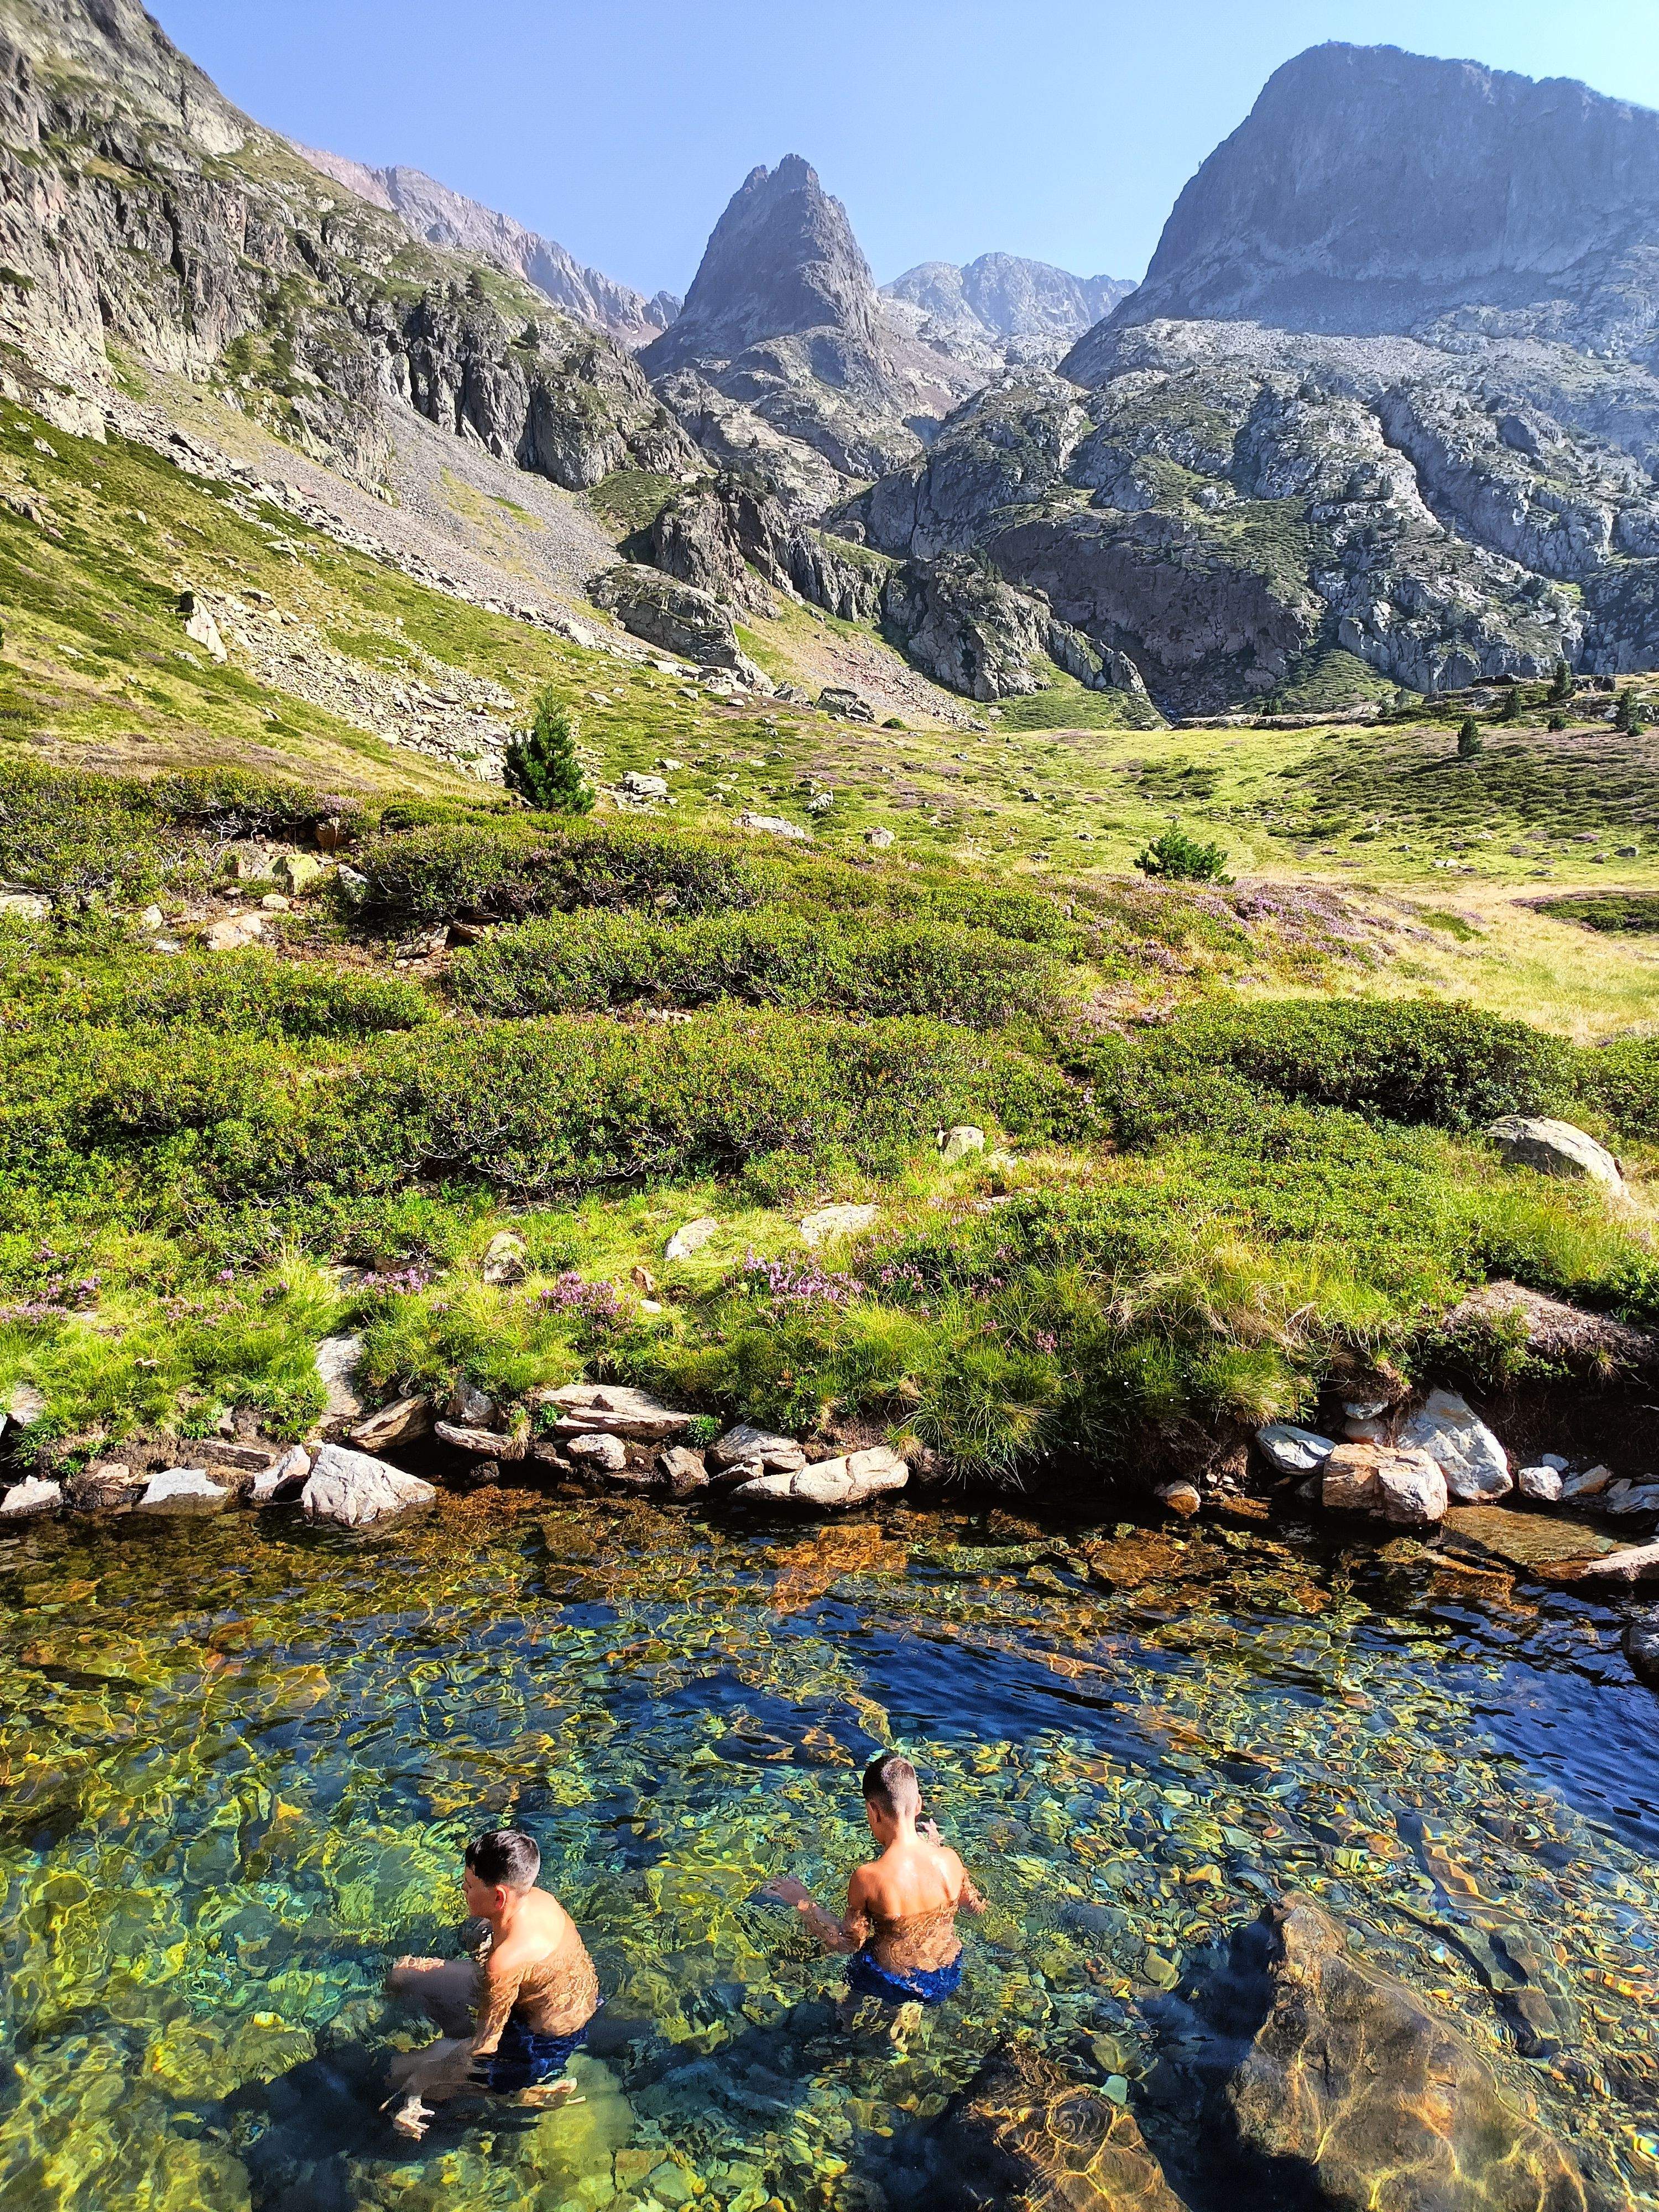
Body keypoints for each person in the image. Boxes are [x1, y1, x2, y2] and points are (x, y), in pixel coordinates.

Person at [382, 1828, 600, 2141]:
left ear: (499, 1896)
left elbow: (485, 2047)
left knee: (397, 2074)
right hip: (546, 2002)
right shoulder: (539, 1899)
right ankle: (447, 2044)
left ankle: (519, 2093)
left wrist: (419, 2083)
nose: (462, 1889)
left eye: (469, 1886)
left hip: (538, 2043)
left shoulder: (507, 1962)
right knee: (402, 1974)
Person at [763, 1751, 985, 2041]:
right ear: (918, 1804)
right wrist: (936, 1845)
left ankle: (847, 2027)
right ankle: (906, 2019)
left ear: (873, 1811)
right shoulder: (950, 1860)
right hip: (947, 1974)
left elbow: (847, 1943)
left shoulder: (868, 1878)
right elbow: (977, 1908)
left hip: (894, 1982)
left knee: (861, 1966)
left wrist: (803, 1903)